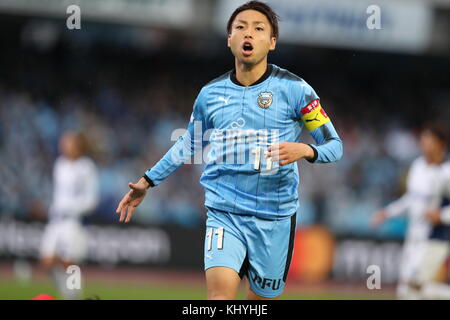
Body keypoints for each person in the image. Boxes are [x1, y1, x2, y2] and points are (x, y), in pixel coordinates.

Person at [116, 1, 343, 300]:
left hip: (275, 218)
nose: (248, 33)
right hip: (225, 213)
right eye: (240, 27)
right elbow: (189, 144)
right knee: (219, 299)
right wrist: (147, 181)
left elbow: (334, 146)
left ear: (272, 41)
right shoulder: (210, 95)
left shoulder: (296, 90)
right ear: (229, 39)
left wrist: (304, 149)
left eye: (258, 28)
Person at [372, 125, 450, 300]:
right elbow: (410, 199)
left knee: (412, 288)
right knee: (407, 290)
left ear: (441, 144)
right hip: (413, 235)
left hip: (434, 238)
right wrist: (387, 212)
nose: (424, 145)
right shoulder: (418, 166)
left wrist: (442, 215)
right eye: (423, 141)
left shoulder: (446, 173)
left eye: (429, 141)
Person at [40, 131, 99, 300]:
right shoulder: (60, 164)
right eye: (63, 143)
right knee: (47, 261)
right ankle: (68, 295)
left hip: (73, 222)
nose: (64, 146)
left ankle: (74, 296)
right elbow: (59, 194)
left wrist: (72, 208)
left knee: (69, 264)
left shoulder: (87, 167)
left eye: (68, 143)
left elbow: (92, 199)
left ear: (78, 146)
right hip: (56, 220)